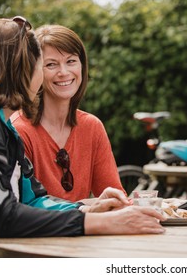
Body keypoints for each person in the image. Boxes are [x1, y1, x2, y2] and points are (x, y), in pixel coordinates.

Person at [0, 16, 165, 240]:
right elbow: (0, 216)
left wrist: (86, 210)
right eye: (43, 64)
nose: (45, 73)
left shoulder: (3, 128)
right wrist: (95, 222)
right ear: (17, 70)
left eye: (71, 61)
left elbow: (33, 199)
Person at [11, 24, 125, 204]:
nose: (63, 73)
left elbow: (115, 198)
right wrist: (87, 206)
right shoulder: (19, 130)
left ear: (82, 66)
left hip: (87, 230)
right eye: (51, 64)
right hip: (39, 232)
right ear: (35, 71)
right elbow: (25, 209)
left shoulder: (92, 127)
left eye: (71, 61)